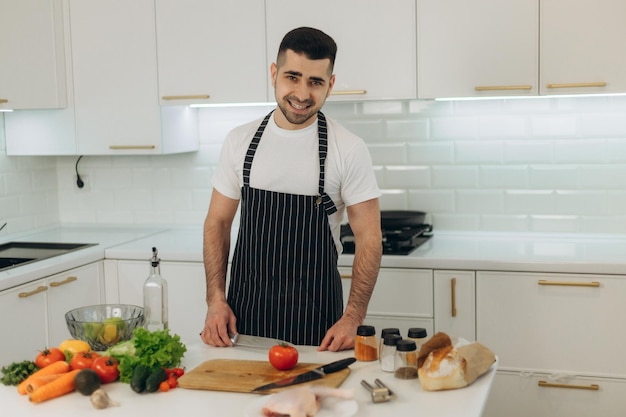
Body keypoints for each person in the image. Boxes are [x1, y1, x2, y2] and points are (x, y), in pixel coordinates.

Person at [200, 27, 382, 351]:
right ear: (274, 73)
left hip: (319, 332)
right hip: (244, 325)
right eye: (292, 77)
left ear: (331, 84)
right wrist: (215, 300)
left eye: (315, 82)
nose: (301, 93)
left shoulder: (348, 149)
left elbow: (370, 238)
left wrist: (353, 317)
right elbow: (218, 222)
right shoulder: (240, 142)